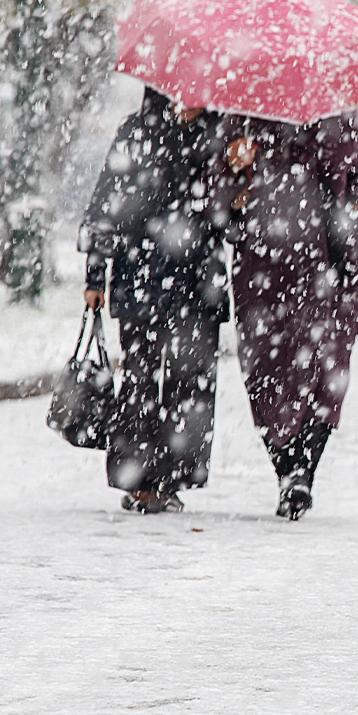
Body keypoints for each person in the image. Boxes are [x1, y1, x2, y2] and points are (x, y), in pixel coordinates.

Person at [217, 114, 358, 520]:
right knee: (267, 370)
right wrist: (236, 173)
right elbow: (220, 193)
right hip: (264, 264)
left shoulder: (334, 111)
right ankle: (287, 468)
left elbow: (354, 171)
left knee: (329, 368)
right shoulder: (243, 115)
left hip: (330, 261)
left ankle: (301, 472)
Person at [77, 88, 226, 515]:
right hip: (141, 276)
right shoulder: (137, 132)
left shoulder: (218, 134)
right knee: (140, 380)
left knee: (189, 386)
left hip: (196, 282)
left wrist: (233, 180)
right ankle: (140, 479)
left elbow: (229, 213)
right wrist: (95, 273)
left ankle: (172, 478)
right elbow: (106, 202)